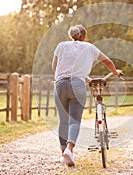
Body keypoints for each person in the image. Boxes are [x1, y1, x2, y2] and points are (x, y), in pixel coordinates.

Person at [52, 24, 122, 167]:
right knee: (74, 120)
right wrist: (115, 73)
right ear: (84, 36)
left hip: (60, 83)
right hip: (77, 84)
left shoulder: (61, 46)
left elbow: (55, 67)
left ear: (71, 36)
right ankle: (70, 149)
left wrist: (62, 76)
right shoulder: (90, 47)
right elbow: (108, 61)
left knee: (63, 120)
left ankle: (63, 152)